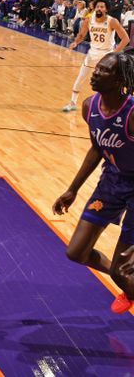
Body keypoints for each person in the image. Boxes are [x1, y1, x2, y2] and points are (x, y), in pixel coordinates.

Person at [53, 51, 134, 314]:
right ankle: (126, 281)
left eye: (104, 70)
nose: (96, 72)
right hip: (111, 182)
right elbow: (96, 149)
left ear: (119, 79)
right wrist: (72, 189)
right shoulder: (90, 106)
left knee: (121, 274)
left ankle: (126, 281)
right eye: (97, 68)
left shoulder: (132, 113)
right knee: (76, 252)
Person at [63, 0, 129, 112]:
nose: (99, 8)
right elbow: (82, 34)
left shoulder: (112, 21)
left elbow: (125, 39)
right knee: (80, 78)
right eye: (98, 6)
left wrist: (114, 53)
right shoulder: (89, 20)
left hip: (107, 57)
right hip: (92, 54)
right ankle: (73, 102)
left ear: (106, 9)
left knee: (109, 83)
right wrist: (75, 42)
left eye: (102, 7)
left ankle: (114, 105)